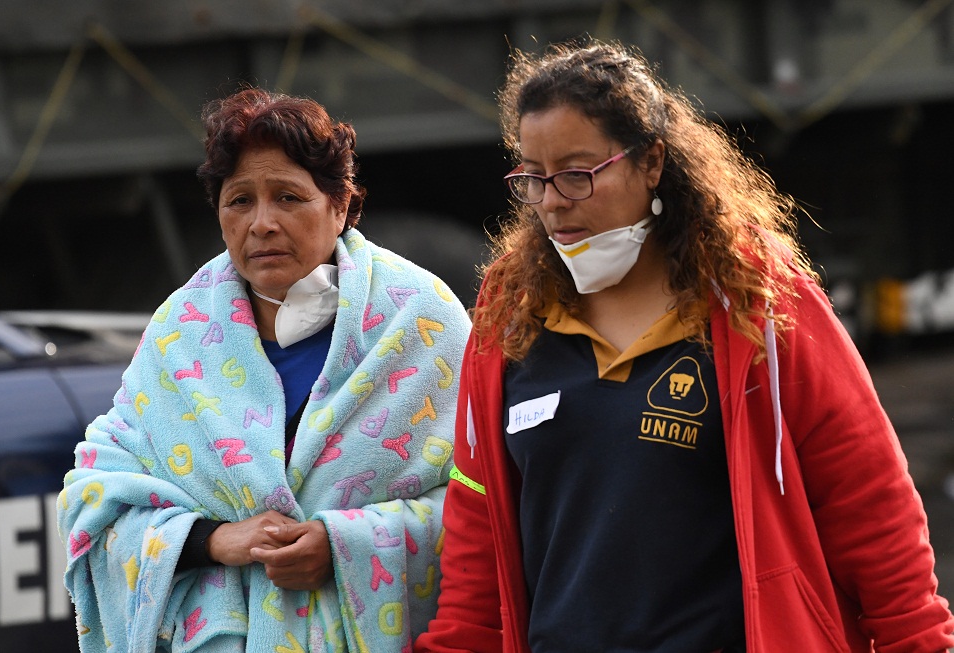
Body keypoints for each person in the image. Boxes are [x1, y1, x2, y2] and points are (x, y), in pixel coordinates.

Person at [415, 40, 954, 653]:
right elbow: (476, 545)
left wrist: (921, 644)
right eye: (533, 179)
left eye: (577, 173)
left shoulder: (756, 302)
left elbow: (869, 501)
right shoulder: (509, 315)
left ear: (651, 163)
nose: (553, 201)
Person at [57, 87, 470, 652]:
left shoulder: (420, 321)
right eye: (239, 201)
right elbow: (96, 496)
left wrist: (344, 545)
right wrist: (213, 540)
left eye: (289, 197)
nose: (262, 223)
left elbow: (486, 500)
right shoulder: (182, 332)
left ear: (342, 205)